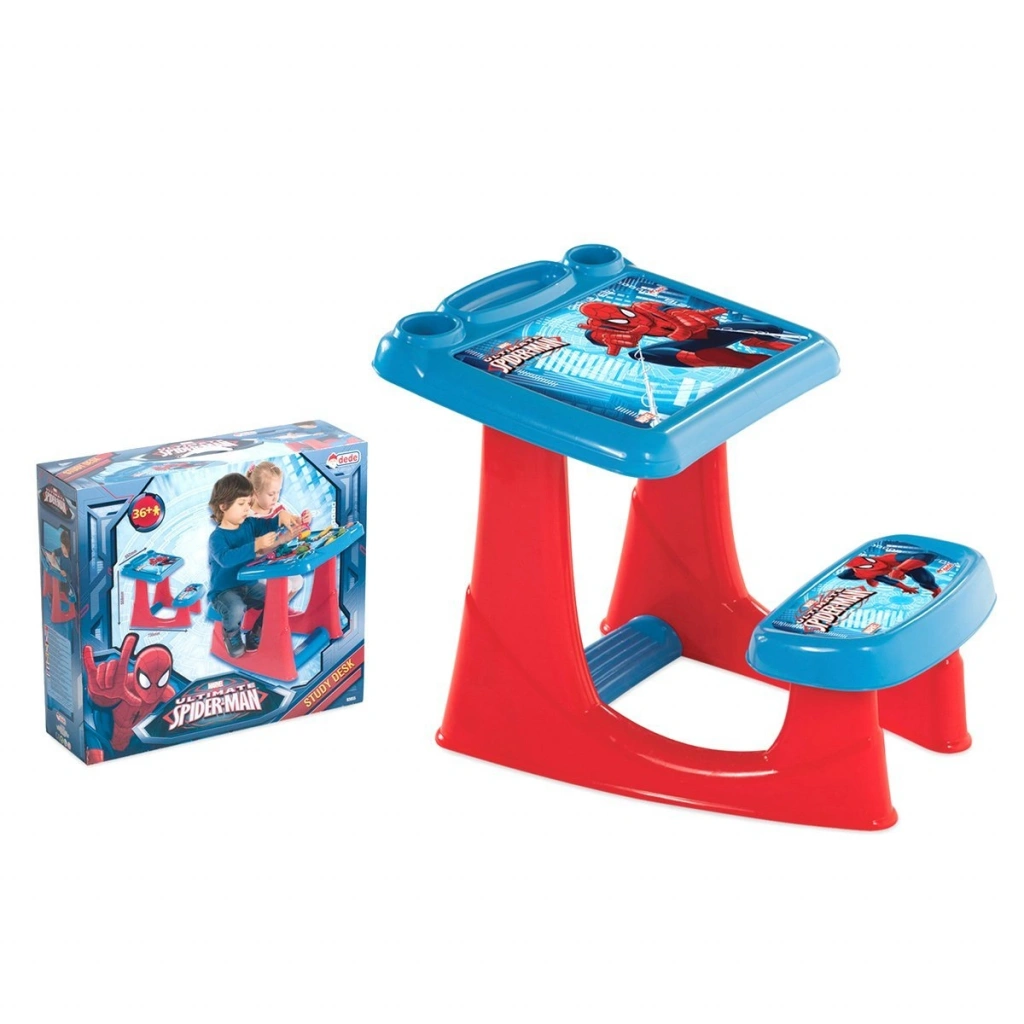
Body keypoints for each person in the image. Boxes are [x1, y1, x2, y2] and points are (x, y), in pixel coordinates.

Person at [207, 472, 301, 657]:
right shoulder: (217, 537)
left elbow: (268, 524)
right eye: (241, 504)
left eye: (249, 504)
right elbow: (226, 559)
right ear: (223, 506)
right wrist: (256, 544)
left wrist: (282, 517)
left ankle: (256, 632)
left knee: (277, 601)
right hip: (224, 591)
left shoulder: (249, 524)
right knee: (235, 608)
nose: (246, 509)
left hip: (249, 585)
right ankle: (231, 634)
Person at [246, 461, 310, 598]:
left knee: (297, 581)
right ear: (256, 493)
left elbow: (293, 520)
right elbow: (257, 550)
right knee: (284, 586)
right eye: (271, 494)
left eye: (278, 492)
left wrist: (303, 519)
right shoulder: (249, 517)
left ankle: (280, 608)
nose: (276, 497)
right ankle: (270, 609)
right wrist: (281, 538)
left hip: (275, 559)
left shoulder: (277, 507)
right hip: (255, 566)